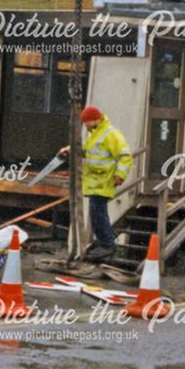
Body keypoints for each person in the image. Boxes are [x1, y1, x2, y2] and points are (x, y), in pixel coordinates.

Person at [60, 106, 133, 260]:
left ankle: (107, 245)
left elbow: (126, 155)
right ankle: (104, 244)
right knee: (96, 213)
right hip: (96, 181)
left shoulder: (111, 134)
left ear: (96, 119)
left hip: (104, 180)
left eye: (87, 122)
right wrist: (68, 149)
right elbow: (84, 148)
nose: (85, 125)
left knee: (98, 213)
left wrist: (120, 175)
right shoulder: (95, 135)